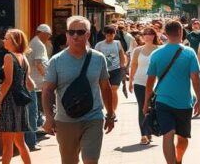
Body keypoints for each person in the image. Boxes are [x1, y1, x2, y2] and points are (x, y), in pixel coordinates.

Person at [42, 16, 116, 164]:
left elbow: (105, 87)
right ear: (67, 34)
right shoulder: (56, 61)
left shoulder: (98, 58)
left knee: (90, 160)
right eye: (71, 32)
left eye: (80, 32)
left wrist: (110, 114)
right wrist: (49, 117)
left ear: (88, 35)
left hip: (93, 117)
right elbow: (47, 90)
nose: (75, 36)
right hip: (66, 120)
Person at [145, 20, 200, 164]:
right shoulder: (189, 52)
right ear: (181, 32)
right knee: (181, 137)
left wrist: (146, 102)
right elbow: (195, 78)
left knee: (168, 134)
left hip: (162, 100)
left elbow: (150, 81)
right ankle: (178, 159)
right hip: (184, 102)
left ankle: (176, 161)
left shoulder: (156, 54)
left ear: (165, 33)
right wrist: (199, 100)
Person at [0, 29, 34, 164]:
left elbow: (8, 82)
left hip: (9, 101)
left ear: (14, 41)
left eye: (6, 38)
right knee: (20, 142)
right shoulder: (24, 58)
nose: (4, 40)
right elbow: (29, 84)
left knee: (7, 144)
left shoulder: (8, 56)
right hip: (21, 102)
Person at [129, 26, 160, 145]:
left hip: (156, 84)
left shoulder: (159, 49)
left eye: (150, 34)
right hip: (140, 82)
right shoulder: (138, 50)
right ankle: (143, 134)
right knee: (142, 107)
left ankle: (150, 130)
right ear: (142, 36)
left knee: (153, 107)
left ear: (154, 36)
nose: (148, 36)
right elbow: (133, 66)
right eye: (145, 34)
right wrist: (130, 81)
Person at [26, 24, 52, 150]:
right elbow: (38, 64)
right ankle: (34, 138)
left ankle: (39, 131)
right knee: (35, 111)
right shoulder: (38, 44)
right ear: (41, 33)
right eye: (48, 35)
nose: (49, 37)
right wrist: (47, 78)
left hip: (34, 82)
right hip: (36, 83)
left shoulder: (35, 42)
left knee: (36, 110)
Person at [94, 25, 128, 115]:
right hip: (103, 70)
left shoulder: (117, 43)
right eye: (108, 35)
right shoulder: (99, 45)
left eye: (112, 35)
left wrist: (122, 67)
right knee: (105, 90)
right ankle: (108, 110)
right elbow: (95, 58)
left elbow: (121, 54)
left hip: (116, 69)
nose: (110, 37)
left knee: (114, 89)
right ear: (105, 34)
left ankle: (113, 112)